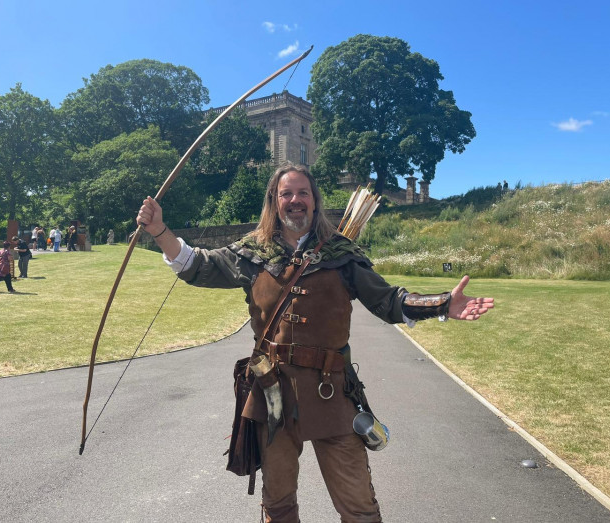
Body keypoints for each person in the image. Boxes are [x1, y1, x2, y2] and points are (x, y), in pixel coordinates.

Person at [136, 163, 495, 523]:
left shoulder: (342, 253)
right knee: (278, 505)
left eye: (302, 193)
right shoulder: (251, 252)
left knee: (359, 505)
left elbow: (388, 301)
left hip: (331, 393)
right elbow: (196, 265)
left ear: (315, 200)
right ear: (274, 202)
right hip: (272, 393)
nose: (295, 200)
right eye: (286, 194)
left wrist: (442, 303)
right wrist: (159, 230)